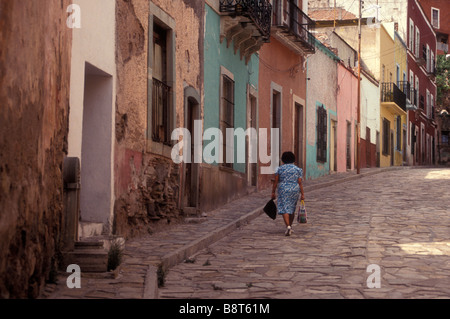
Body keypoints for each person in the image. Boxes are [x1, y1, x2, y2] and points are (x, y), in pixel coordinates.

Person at [271, 151, 305, 236]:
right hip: (294, 188)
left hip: (283, 189)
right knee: (292, 208)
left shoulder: (279, 169)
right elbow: (299, 182)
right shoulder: (298, 169)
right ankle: (290, 226)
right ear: (293, 159)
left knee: (285, 207)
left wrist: (273, 192)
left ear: (283, 159)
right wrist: (302, 194)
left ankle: (288, 226)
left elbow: (276, 181)